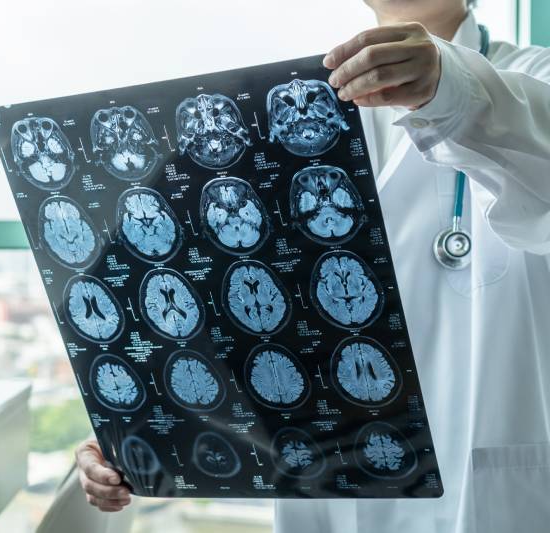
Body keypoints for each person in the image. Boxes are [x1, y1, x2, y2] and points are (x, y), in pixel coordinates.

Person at [75, 0, 550, 530]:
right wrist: (139, 425)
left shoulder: (532, 80)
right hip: (329, 479)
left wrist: (451, 89)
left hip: (484, 486)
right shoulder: (285, 115)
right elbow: (223, 306)